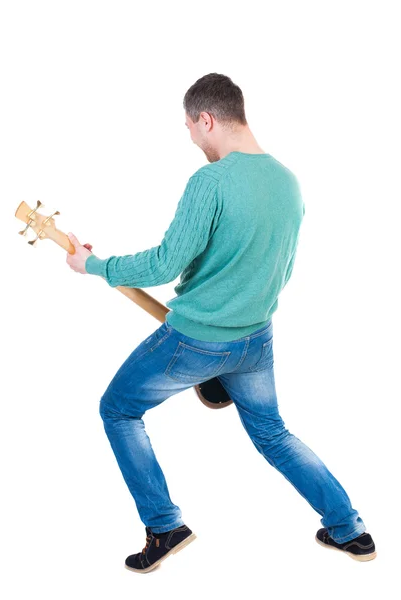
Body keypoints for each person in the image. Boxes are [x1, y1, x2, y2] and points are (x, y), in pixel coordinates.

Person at [66, 73, 376, 572]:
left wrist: (95, 265)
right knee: (274, 435)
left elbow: (166, 264)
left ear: (207, 119)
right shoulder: (287, 179)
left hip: (198, 342)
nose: (191, 138)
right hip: (257, 341)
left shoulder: (210, 182)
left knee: (118, 410)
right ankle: (350, 529)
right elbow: (282, 269)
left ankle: (164, 525)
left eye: (190, 127)